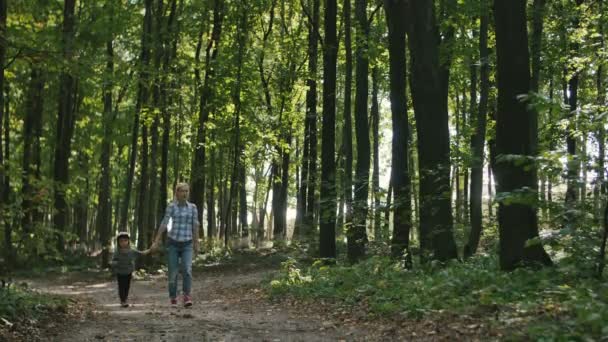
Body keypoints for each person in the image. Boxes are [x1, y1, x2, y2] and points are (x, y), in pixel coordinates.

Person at [151, 182, 200, 307]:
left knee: (187, 270)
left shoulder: (193, 207)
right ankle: (173, 297)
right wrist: (156, 240)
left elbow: (195, 226)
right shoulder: (171, 207)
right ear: (176, 193)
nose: (185, 193)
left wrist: (196, 243)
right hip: (173, 244)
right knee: (173, 272)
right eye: (182, 191)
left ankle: (187, 296)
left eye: (187, 191)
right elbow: (164, 223)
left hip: (187, 244)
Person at [110, 231, 150, 307]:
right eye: (121, 241)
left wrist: (150, 249)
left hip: (128, 271)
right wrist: (113, 263)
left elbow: (141, 253)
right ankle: (123, 301)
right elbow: (113, 261)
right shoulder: (117, 252)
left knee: (127, 286)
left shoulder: (131, 251)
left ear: (128, 241)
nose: (123, 242)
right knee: (121, 286)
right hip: (120, 272)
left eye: (125, 240)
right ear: (118, 242)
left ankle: (125, 299)